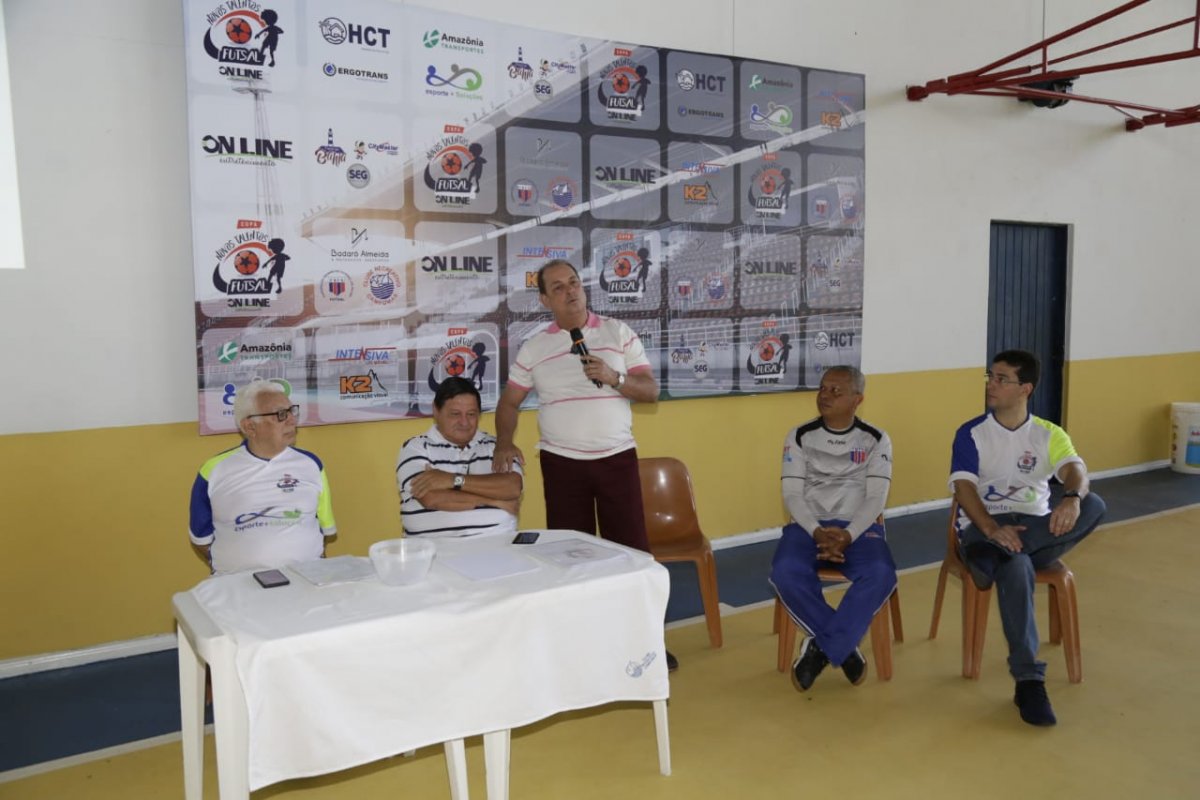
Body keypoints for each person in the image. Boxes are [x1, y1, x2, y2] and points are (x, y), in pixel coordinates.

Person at [494, 259, 676, 670]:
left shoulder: (616, 333)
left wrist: (616, 379)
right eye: (557, 287)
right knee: (571, 560)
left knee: (632, 556)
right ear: (544, 299)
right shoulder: (535, 347)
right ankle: (580, 647)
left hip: (616, 460)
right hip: (563, 465)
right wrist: (504, 443)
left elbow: (650, 391)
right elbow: (508, 403)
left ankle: (645, 643)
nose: (570, 291)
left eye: (574, 283)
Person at [950, 349, 1106, 726]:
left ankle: (995, 556)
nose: (992, 384)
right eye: (991, 376)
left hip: (1036, 527)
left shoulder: (1048, 433)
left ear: (1025, 389)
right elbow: (964, 490)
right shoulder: (971, 433)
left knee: (1094, 503)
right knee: (1016, 564)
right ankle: (1029, 681)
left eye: (1002, 379)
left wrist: (1070, 499)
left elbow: (1076, 472)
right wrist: (990, 529)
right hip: (983, 525)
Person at [770, 366, 896, 691]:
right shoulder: (798, 435)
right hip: (808, 526)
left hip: (858, 529)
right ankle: (842, 646)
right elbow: (792, 495)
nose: (825, 395)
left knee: (882, 573)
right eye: (823, 388)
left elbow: (876, 498)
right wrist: (816, 531)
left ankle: (821, 648)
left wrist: (848, 534)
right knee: (785, 571)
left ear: (858, 399)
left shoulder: (877, 439)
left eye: (836, 391)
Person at [189, 379, 335, 575]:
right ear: (250, 427)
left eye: (292, 411)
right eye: (281, 415)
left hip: (306, 579)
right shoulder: (214, 470)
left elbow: (324, 530)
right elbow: (201, 539)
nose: (292, 420)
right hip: (238, 585)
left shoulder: (311, 464)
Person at [397, 377, 522, 537]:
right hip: (434, 551)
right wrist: (494, 500)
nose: (464, 422)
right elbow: (432, 498)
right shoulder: (416, 447)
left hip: (497, 546)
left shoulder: (498, 447)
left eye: (471, 414)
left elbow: (512, 488)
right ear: (436, 410)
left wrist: (451, 480)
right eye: (455, 414)